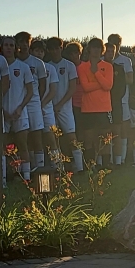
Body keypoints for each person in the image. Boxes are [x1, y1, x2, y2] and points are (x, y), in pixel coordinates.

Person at [0, 37, 33, 182]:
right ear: (1, 48)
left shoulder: (23, 67)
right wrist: (2, 110)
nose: (8, 48)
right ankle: (5, 177)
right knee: (4, 146)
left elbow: (30, 91)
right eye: (6, 45)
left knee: (22, 145)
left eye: (11, 45)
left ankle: (25, 177)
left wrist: (20, 108)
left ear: (15, 48)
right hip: (2, 114)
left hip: (20, 113)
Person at [47, 37, 83, 173]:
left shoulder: (69, 65)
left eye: (57, 48)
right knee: (52, 138)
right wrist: (51, 105)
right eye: (52, 49)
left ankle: (80, 168)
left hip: (65, 108)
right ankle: (58, 168)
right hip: (50, 108)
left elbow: (72, 88)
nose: (55, 51)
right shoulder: (47, 66)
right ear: (49, 51)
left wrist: (60, 104)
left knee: (71, 137)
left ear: (61, 48)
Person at [77, 38, 113, 169]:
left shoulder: (108, 66)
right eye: (94, 47)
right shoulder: (82, 67)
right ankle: (90, 166)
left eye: (99, 48)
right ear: (89, 49)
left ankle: (106, 166)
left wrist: (96, 72)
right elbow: (85, 87)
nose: (96, 50)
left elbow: (108, 86)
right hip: (88, 109)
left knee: (105, 139)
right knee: (89, 139)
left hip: (104, 108)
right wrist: (100, 83)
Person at [15, 32, 46, 168]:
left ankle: (40, 169)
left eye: (26, 42)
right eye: (20, 42)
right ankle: (23, 169)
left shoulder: (37, 63)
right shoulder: (13, 61)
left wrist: (35, 99)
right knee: (21, 138)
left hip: (33, 103)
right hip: (18, 103)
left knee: (36, 136)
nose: (23, 45)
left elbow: (43, 85)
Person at [30, 40, 60, 166]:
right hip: (30, 107)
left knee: (51, 137)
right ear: (31, 51)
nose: (39, 53)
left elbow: (53, 91)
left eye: (42, 51)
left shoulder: (50, 68)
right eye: (37, 50)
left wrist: (42, 104)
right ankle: (36, 167)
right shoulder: (26, 65)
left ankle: (57, 165)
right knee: (33, 139)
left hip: (46, 108)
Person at [108, 34, 133, 165]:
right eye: (112, 43)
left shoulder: (126, 60)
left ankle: (121, 160)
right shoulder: (103, 59)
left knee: (122, 130)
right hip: (106, 100)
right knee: (109, 129)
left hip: (122, 99)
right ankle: (110, 160)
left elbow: (130, 79)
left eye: (117, 43)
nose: (115, 45)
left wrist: (118, 77)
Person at [103, 42, 127, 168]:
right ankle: (104, 162)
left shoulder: (119, 68)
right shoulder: (99, 67)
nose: (110, 54)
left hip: (116, 104)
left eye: (112, 51)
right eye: (108, 51)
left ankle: (118, 162)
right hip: (102, 104)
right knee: (104, 133)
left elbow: (122, 88)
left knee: (117, 131)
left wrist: (114, 99)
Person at [65, 41, 85, 143]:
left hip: (86, 104)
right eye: (71, 53)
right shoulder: (67, 67)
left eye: (76, 52)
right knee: (74, 131)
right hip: (73, 104)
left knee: (85, 132)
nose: (74, 55)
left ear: (80, 53)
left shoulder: (87, 66)